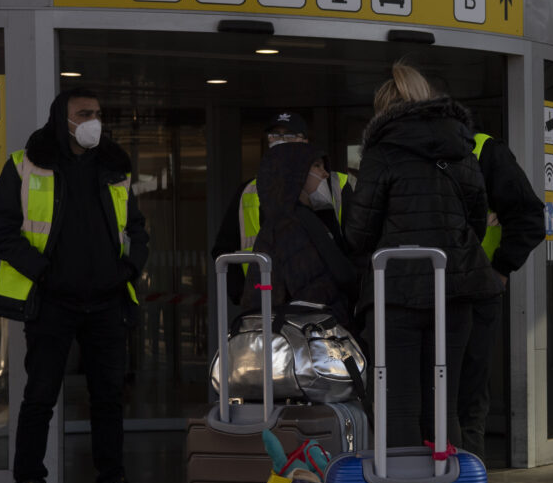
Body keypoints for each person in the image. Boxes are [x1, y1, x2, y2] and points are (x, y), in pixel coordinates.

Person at [0, 87, 151, 483]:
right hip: (51, 301)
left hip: (106, 302)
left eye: (97, 112)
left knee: (109, 398)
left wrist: (128, 270)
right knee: (40, 396)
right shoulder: (27, 163)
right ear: (63, 118)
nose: (94, 120)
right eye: (84, 113)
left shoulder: (114, 167)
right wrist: (43, 271)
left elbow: (137, 230)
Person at [344, 61, 501, 449]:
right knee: (443, 403)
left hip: (395, 292)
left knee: (398, 403)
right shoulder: (461, 146)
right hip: (455, 289)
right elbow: (476, 222)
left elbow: (358, 232)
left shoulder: (381, 153)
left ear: (385, 108)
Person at [458, 131, 546, 458]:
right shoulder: (405, 147)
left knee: (467, 397)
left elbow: (528, 218)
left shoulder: (482, 149)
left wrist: (500, 268)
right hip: (422, 292)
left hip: (475, 291)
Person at [211, 112, 352, 305]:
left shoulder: (334, 184)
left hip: (320, 303)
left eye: (289, 135)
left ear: (305, 142)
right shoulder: (249, 190)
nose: (281, 141)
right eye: (275, 135)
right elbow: (224, 249)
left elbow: (349, 248)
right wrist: (243, 293)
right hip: (266, 301)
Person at [239, 141, 357, 328]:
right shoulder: (291, 225)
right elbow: (313, 292)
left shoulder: (296, 219)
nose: (325, 173)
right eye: (317, 166)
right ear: (294, 173)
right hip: (308, 337)